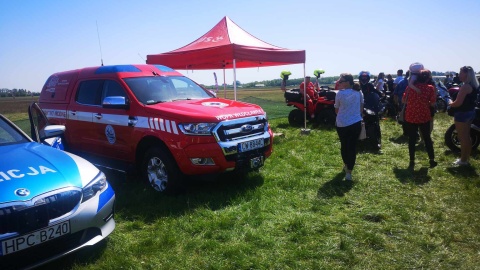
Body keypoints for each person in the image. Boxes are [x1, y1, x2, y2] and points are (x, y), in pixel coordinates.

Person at [402, 69, 437, 168]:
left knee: (412, 139)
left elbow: (404, 100)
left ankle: (412, 160)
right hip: (424, 115)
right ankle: (431, 160)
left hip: (411, 115)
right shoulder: (430, 88)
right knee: (427, 138)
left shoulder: (410, 88)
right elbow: (433, 103)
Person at [334, 73, 364, 181]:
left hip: (342, 123)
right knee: (352, 147)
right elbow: (361, 107)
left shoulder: (340, 94)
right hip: (356, 123)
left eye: (341, 81)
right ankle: (349, 172)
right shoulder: (358, 92)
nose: (339, 83)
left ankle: (346, 165)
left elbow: (336, 110)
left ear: (347, 82)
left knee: (344, 145)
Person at [448, 66, 479, 166]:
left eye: (461, 73)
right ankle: (465, 158)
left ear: (467, 74)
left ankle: (463, 160)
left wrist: (450, 102)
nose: (459, 75)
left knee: (462, 137)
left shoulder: (465, 87)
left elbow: (458, 103)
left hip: (462, 113)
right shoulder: (473, 85)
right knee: (467, 136)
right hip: (470, 112)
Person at [359, 71, 382, 148]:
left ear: (368, 78)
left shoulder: (370, 85)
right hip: (358, 105)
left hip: (369, 105)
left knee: (376, 120)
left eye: (365, 77)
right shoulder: (357, 86)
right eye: (363, 77)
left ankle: (377, 139)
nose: (364, 78)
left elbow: (376, 92)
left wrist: (381, 95)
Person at [394, 71, 410, 136]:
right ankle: (413, 133)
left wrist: (396, 103)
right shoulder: (414, 83)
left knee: (404, 117)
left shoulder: (401, 82)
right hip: (409, 103)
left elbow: (395, 94)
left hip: (402, 103)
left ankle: (406, 132)